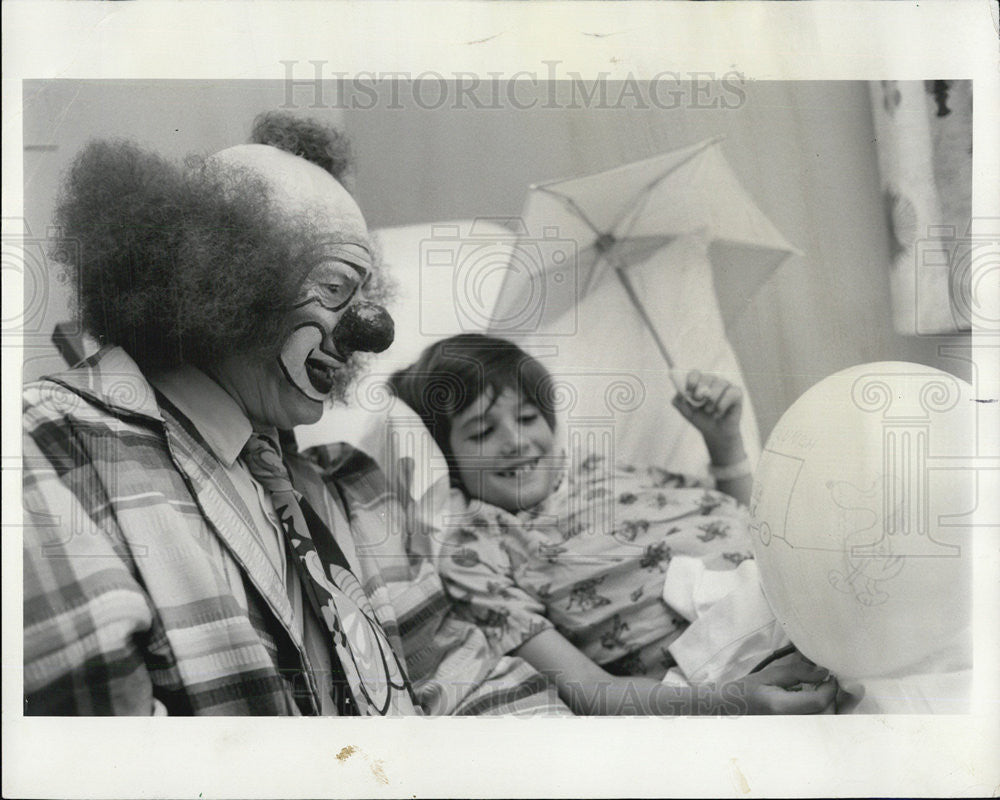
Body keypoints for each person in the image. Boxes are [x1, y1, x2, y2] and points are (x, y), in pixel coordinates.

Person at [22, 114, 565, 716]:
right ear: (218, 277)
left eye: (367, 296)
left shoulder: (353, 491)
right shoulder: (46, 453)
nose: (371, 333)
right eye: (335, 287)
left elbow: (470, 684)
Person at [389, 333, 840, 715]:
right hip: (731, 659)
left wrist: (724, 444)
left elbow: (749, 524)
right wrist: (730, 702)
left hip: (794, 581)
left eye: (527, 417)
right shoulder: (477, 547)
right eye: (483, 432)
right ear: (446, 458)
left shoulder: (607, 471)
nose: (517, 441)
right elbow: (589, 689)